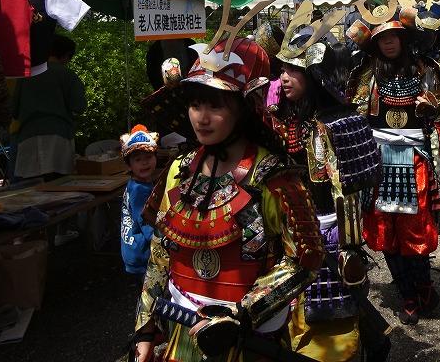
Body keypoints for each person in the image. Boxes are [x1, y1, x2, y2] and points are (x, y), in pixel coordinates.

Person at [132, 38, 323, 362]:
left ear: (243, 109)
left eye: (215, 106)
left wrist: (241, 313)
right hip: (183, 334)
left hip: (249, 339)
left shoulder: (273, 177)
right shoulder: (179, 169)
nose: (201, 118)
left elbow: (305, 260)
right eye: (196, 104)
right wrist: (145, 330)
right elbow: (161, 251)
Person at [262, 25, 388, 362]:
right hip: (291, 231)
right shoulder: (284, 120)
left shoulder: (340, 122)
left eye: (292, 70)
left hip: (332, 232)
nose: (284, 78)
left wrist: (346, 244)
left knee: (334, 318)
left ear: (313, 73)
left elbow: (356, 187)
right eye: (282, 70)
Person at [347, 15, 440, 325]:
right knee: (385, 230)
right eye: (382, 38)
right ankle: (406, 293)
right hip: (378, 160)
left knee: (415, 228)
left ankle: (423, 284)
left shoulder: (422, 69)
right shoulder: (367, 73)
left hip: (415, 159)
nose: (388, 43)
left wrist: (432, 109)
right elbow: (355, 113)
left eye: (394, 37)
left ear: (403, 40)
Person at [11, 34, 86, 179]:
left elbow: (14, 110)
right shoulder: (68, 75)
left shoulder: (27, 74)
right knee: (59, 186)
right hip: (59, 137)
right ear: (67, 55)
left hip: (28, 137)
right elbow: (79, 106)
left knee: (31, 187)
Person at [120, 124, 159, 277]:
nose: (144, 163)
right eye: (138, 159)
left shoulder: (134, 184)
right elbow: (145, 220)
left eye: (148, 157)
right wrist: (161, 240)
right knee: (151, 286)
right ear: (129, 165)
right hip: (142, 251)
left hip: (132, 247)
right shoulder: (139, 190)